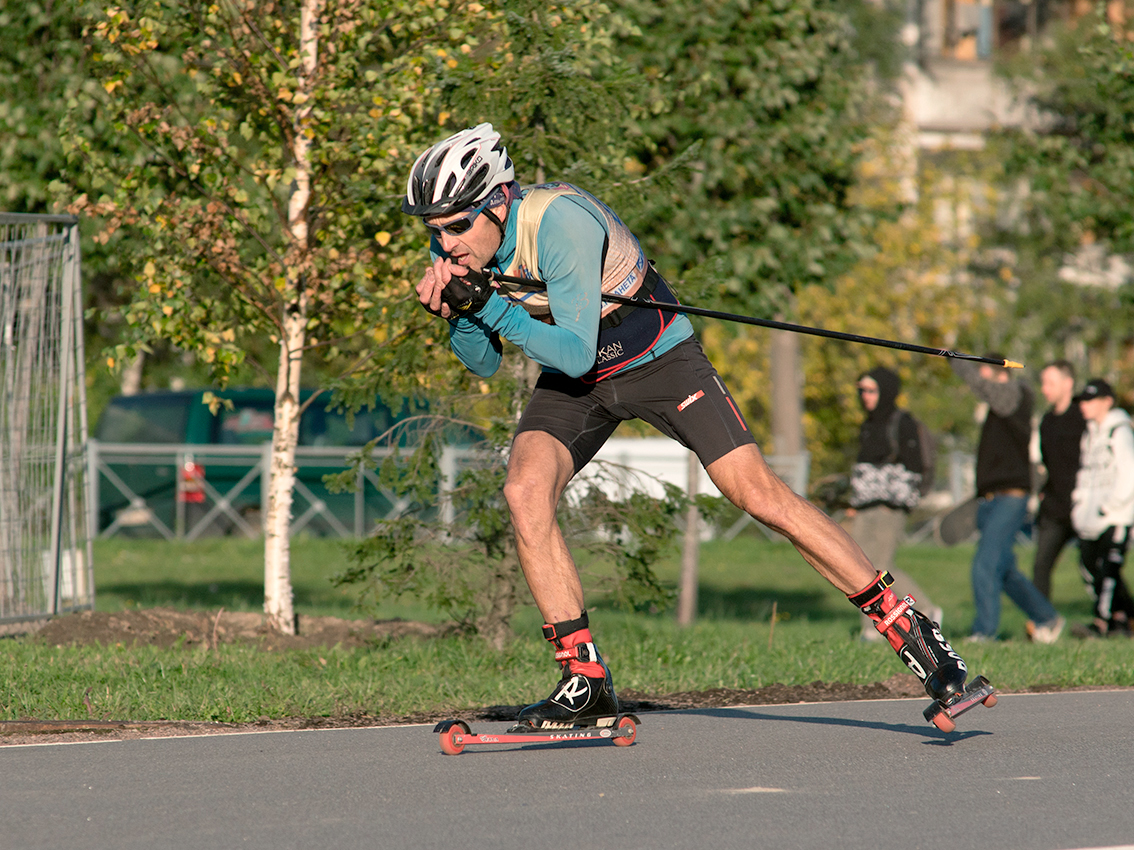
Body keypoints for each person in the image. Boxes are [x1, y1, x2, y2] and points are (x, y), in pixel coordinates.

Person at [405, 123, 981, 728]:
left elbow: (572, 349)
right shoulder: (469, 249)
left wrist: (489, 304)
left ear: (498, 201)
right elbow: (486, 362)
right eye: (434, 231)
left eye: (456, 225)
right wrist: (457, 314)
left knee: (758, 494)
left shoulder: (559, 222)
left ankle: (913, 632)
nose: (445, 244)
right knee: (524, 490)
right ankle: (585, 678)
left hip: (658, 362)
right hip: (581, 383)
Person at [951, 357, 1064, 642]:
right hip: (989, 500)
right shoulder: (996, 407)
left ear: (990, 370)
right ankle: (1047, 618)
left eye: (983, 372)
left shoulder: (1018, 394)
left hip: (1010, 497)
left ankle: (984, 632)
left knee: (984, 564)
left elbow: (983, 387)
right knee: (1003, 570)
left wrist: (955, 359)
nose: (981, 379)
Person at [847, 367, 942, 641]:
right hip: (865, 505)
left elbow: (912, 465)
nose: (865, 396)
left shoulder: (903, 422)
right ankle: (872, 626)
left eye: (871, 390)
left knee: (881, 566)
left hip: (890, 505)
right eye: (861, 390)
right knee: (859, 566)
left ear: (885, 391)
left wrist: (893, 490)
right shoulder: (868, 423)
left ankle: (924, 609)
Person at [1069, 378, 1134, 638]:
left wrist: (1111, 506)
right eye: (1083, 401)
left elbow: (1129, 473)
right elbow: (1086, 475)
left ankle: (1100, 624)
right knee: (1089, 565)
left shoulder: (1119, 431)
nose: (1084, 406)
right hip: (1092, 517)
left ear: (1107, 401)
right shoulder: (1090, 435)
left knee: (1109, 570)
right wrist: (1080, 504)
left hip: (1117, 515)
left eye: (1090, 400)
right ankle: (1125, 616)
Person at [1032, 360, 1086, 600]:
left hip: (1083, 503)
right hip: (1055, 507)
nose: (1045, 389)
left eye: (1050, 383)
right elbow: (1050, 464)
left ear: (1068, 384)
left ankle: (1121, 615)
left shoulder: (1083, 417)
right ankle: (1043, 622)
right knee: (1041, 565)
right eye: (1043, 383)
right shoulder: (1047, 421)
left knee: (1096, 564)